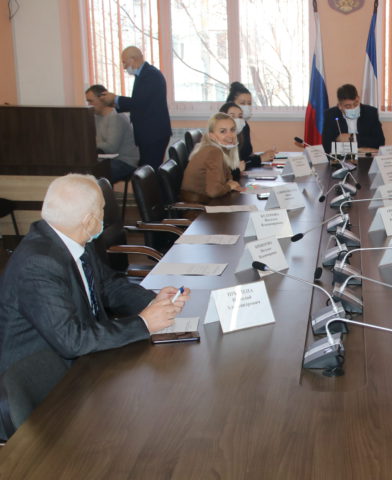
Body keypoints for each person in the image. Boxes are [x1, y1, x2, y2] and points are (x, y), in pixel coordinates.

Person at [0, 174, 189, 434]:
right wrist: (144, 323)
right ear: (89, 220)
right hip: (41, 386)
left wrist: (153, 301)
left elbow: (108, 286)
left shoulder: (72, 239)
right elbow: (72, 341)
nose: (104, 215)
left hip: (82, 364)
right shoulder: (38, 264)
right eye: (102, 209)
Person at [98, 46, 172, 170]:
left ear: (132, 59)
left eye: (124, 62)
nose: (124, 67)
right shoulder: (144, 74)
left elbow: (139, 103)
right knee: (147, 170)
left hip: (153, 134)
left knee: (149, 172)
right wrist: (113, 102)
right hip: (149, 133)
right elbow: (139, 103)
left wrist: (115, 99)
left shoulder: (150, 75)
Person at [180, 113, 242, 203]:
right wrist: (229, 186)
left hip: (205, 202)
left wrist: (229, 183)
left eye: (232, 130)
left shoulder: (216, 149)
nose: (230, 135)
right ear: (212, 135)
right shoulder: (214, 152)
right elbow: (213, 192)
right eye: (223, 131)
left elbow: (227, 177)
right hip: (199, 207)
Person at [85, 84, 140, 184]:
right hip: (107, 159)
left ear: (102, 99)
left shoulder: (116, 117)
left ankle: (102, 194)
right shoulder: (96, 117)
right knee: (83, 172)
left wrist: (89, 144)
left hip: (125, 162)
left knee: (93, 176)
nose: (89, 105)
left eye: (91, 101)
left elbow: (111, 148)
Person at [224, 82, 276, 168]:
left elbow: (246, 156)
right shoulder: (225, 130)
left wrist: (263, 156)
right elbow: (235, 165)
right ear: (231, 104)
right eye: (242, 103)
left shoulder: (244, 125)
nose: (247, 107)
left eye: (249, 103)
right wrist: (260, 159)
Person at [322, 83, 385, 154]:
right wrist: (362, 147)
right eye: (348, 106)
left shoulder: (371, 113)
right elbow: (327, 146)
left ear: (358, 98)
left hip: (366, 158)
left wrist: (352, 137)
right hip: (341, 158)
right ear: (340, 105)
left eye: (356, 104)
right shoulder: (330, 115)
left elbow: (380, 142)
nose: (353, 108)